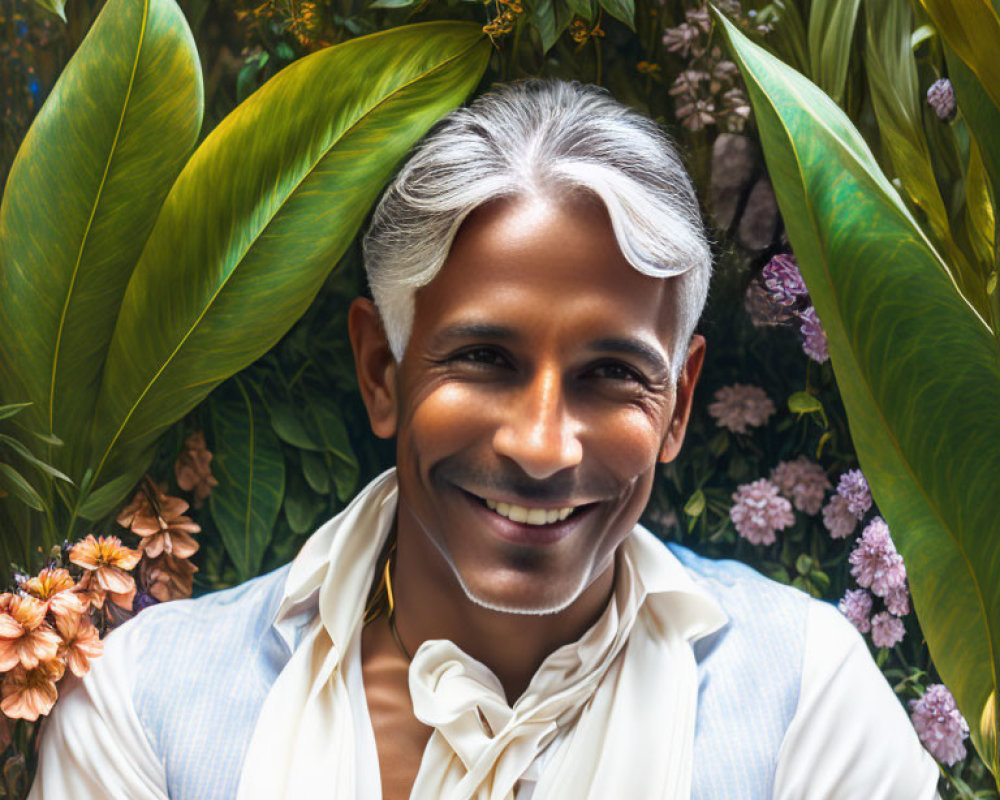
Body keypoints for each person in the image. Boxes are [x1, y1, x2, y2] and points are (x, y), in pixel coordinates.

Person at [29, 80, 939, 800]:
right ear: (382, 372)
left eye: (612, 373)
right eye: (484, 359)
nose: (543, 447)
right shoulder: (147, 708)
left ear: (679, 402)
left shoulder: (806, 701)